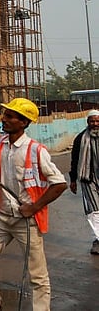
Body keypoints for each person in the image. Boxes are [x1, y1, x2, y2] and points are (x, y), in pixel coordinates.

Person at [0, 97, 67, 311]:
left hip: (26, 221)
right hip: (3, 218)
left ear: (24, 122)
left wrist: (33, 207)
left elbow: (59, 184)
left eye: (10, 116)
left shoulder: (35, 150)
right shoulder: (1, 143)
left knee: (37, 274)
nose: (4, 119)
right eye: (5, 114)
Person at [68, 109, 99, 255]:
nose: (95, 124)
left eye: (97, 121)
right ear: (87, 122)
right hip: (88, 178)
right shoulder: (80, 138)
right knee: (93, 210)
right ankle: (98, 239)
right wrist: (73, 179)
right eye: (92, 121)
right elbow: (74, 160)